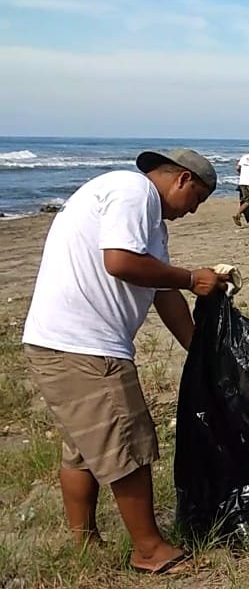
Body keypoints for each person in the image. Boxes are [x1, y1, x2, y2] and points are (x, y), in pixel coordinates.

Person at [22, 149, 229, 575]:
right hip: (84, 346)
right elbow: (120, 263)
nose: (192, 212)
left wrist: (198, 348)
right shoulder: (133, 193)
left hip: (56, 342)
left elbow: (161, 290)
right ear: (183, 180)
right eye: (198, 200)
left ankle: (84, 541)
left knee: (83, 450)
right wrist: (192, 278)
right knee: (127, 446)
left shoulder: (145, 216)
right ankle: (149, 550)